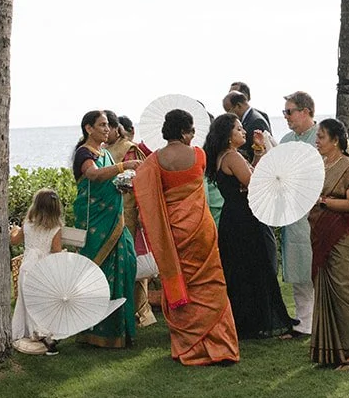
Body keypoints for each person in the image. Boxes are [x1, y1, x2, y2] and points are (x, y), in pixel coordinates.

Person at [134, 107, 239, 365]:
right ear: (184, 132)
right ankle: (221, 344)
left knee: (181, 281)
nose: (193, 135)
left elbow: (144, 192)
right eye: (191, 131)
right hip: (200, 228)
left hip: (173, 232)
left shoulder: (154, 161)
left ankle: (189, 347)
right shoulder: (199, 155)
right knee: (211, 283)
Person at [205, 112, 295, 339]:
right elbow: (255, 182)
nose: (244, 131)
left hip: (234, 216)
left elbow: (252, 175)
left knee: (243, 269)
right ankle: (258, 320)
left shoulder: (228, 156)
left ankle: (251, 319)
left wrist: (258, 151)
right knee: (255, 266)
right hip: (243, 219)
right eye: (238, 129)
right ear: (228, 135)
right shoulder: (232, 157)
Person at [72, 109, 137, 348]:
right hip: (95, 222)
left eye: (108, 125)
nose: (106, 129)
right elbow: (94, 175)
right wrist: (124, 166)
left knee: (126, 264)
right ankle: (92, 331)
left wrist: (122, 185)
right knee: (97, 273)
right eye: (101, 125)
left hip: (114, 220)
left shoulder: (106, 154)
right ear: (88, 128)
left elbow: (109, 182)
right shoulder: (84, 153)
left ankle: (119, 329)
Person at [309, 118, 349, 369]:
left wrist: (324, 203)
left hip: (344, 234)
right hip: (322, 233)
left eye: (321, 137)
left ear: (336, 140)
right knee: (325, 287)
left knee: (346, 288)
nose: (317, 141)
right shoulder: (320, 165)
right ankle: (331, 350)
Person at [110, 112, 155, 328]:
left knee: (132, 260)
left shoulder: (130, 149)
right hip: (110, 211)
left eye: (107, 127)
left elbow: (140, 181)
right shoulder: (102, 149)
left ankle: (139, 311)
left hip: (129, 211)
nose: (105, 131)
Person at [278, 90, 317, 337]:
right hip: (291, 212)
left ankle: (318, 320)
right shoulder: (285, 140)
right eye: (285, 112)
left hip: (316, 209)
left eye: (289, 112)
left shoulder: (322, 136)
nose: (286, 117)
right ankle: (304, 321)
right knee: (297, 264)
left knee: (316, 265)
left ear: (305, 112)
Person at [10, 188, 64, 354]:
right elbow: (56, 251)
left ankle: (35, 333)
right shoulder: (56, 229)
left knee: (27, 302)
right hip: (44, 270)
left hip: (27, 269)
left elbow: (14, 241)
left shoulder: (27, 225)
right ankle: (44, 334)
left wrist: (13, 230)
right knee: (42, 303)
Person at [224, 86, 271, 162]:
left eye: (229, 110)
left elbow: (259, 152)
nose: (229, 114)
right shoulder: (249, 118)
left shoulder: (256, 121)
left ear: (238, 105)